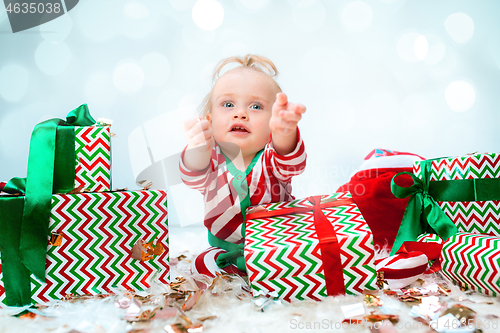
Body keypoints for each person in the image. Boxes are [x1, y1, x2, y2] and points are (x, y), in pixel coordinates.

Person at [179, 54, 307, 277]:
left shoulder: (272, 159)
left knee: (296, 266)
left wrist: (284, 134)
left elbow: (292, 163)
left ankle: (267, 278)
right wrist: (197, 147)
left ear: (272, 123)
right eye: (228, 104)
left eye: (256, 106)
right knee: (201, 266)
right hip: (223, 249)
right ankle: (231, 281)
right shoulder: (212, 160)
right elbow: (192, 175)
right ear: (209, 121)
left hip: (275, 247)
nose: (240, 113)